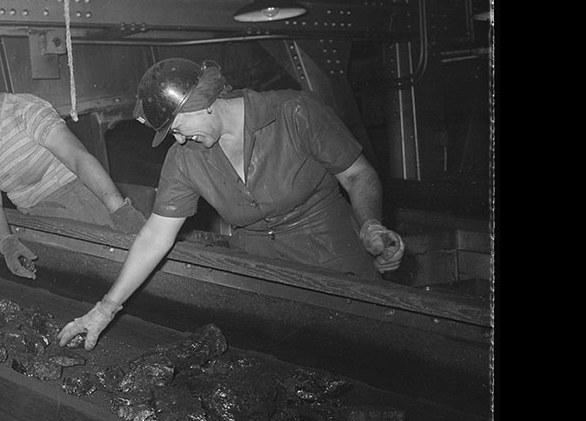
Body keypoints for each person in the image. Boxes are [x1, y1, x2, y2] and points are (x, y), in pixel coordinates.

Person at [58, 57, 405, 350]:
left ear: (204, 100)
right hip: (262, 276)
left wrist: (370, 225)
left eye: (178, 128)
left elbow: (358, 175)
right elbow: (154, 237)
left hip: (334, 255)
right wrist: (104, 310)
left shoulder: (294, 112)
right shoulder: (185, 158)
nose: (178, 140)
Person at [0, 59, 146, 280]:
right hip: (38, 218)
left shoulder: (26, 111)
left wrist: (119, 210)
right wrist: (6, 242)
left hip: (80, 203)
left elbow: (78, 159)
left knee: (120, 271)